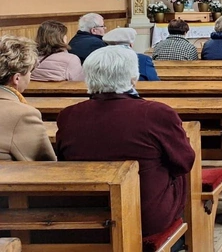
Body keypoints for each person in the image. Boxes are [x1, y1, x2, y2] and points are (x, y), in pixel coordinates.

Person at [56, 46, 195, 242]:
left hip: (87, 210)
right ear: (133, 78)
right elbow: (184, 163)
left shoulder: (68, 115)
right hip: (145, 217)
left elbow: (63, 161)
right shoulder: (156, 113)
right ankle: (190, 237)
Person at [0, 35, 57, 161]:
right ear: (17, 78)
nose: (31, 76)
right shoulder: (23, 115)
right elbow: (46, 163)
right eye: (30, 71)